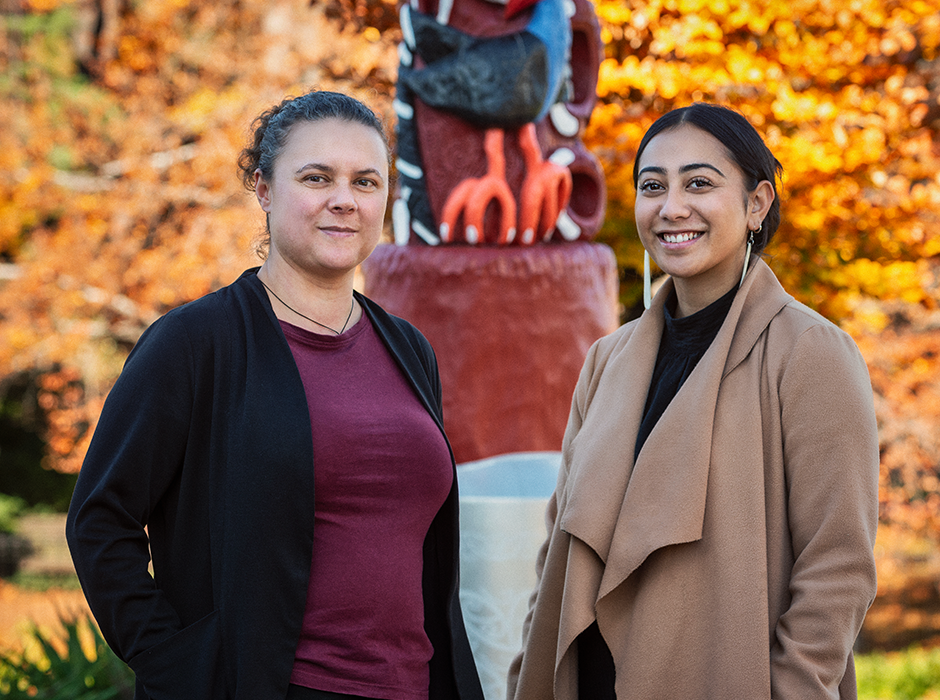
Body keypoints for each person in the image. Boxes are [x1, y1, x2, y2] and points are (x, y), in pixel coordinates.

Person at [66, 90, 485, 700]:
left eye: (366, 182)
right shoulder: (195, 343)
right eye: (317, 178)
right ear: (263, 189)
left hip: (416, 685)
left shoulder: (408, 348)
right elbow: (100, 520)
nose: (344, 200)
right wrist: (178, 664)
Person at [506, 103, 879, 699]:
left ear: (757, 203)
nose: (671, 207)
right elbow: (560, 547)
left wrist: (793, 690)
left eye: (699, 183)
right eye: (652, 187)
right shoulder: (607, 360)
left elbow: (838, 566)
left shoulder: (811, 353)